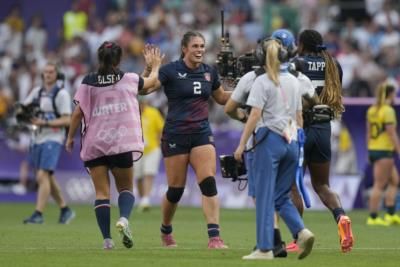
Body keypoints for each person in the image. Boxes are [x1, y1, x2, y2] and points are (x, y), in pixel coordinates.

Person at [224, 28, 314, 258]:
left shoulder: (262, 81)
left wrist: (241, 145)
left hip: (269, 139)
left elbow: (254, 116)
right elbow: (300, 115)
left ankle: (264, 248)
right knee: (280, 196)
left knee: (264, 195)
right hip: (291, 141)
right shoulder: (293, 81)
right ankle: (301, 231)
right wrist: (298, 140)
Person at [65, 41, 162, 249]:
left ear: (100, 58)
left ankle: (107, 240)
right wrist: (155, 65)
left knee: (101, 193)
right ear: (119, 59)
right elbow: (151, 82)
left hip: (95, 143)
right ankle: (124, 219)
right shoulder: (128, 79)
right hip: (121, 142)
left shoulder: (88, 81)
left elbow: (77, 113)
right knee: (126, 188)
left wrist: (70, 138)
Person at [140, 31, 231, 249]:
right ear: (184, 48)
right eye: (195, 46)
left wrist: (247, 88)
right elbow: (145, 89)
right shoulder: (170, 70)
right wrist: (151, 68)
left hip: (201, 133)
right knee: (176, 190)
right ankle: (166, 229)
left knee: (208, 181)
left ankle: (214, 237)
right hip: (175, 135)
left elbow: (221, 98)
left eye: (202, 46)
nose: (200, 50)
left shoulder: (210, 72)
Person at [289, 29, 354, 253]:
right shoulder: (334, 64)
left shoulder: (295, 63)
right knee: (322, 185)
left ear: (301, 44)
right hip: (324, 128)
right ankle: (341, 216)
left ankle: (298, 238)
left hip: (300, 128)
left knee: (292, 185)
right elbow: (334, 93)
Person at [22, 62, 75, 224]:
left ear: (56, 74)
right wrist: (22, 115)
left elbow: (67, 119)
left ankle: (38, 214)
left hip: (53, 137)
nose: (48, 75)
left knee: (42, 175)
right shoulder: (37, 92)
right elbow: (23, 109)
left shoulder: (62, 94)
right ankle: (65, 209)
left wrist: (43, 122)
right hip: (37, 138)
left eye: (51, 72)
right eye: (45, 72)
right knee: (48, 177)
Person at [366, 82, 400, 226]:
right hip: (384, 150)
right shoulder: (388, 111)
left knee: (394, 181)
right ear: (390, 94)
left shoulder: (372, 110)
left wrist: (368, 149)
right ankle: (373, 217)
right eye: (394, 94)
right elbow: (391, 133)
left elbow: (368, 132)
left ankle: (390, 214)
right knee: (380, 185)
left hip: (374, 149)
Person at [134, 97, 164, 211]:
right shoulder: (132, 114)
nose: (141, 105)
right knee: (138, 176)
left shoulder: (153, 113)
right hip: (136, 150)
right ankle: (142, 200)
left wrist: (159, 142)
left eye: (142, 103)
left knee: (148, 173)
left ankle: (146, 199)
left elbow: (161, 129)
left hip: (152, 149)